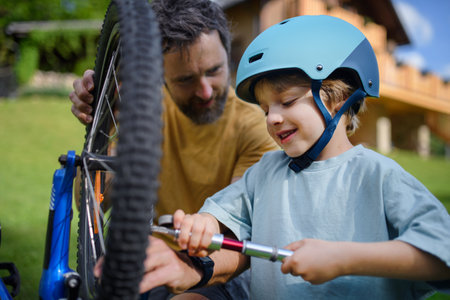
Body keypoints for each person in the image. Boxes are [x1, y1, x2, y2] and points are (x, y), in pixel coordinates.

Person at [171, 15, 450, 299]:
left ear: (340, 96)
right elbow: (221, 213)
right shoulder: (265, 172)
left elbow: (443, 253)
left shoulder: (378, 175)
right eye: (266, 110)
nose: (273, 119)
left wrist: (344, 259)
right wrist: (203, 222)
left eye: (288, 101)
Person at [70, 0, 277, 298]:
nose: (205, 90)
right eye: (185, 80)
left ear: (227, 56)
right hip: (147, 263)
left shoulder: (255, 128)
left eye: (215, 70)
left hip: (216, 271)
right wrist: (105, 125)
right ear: (161, 76)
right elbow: (92, 202)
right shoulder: (145, 112)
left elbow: (240, 231)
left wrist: (190, 270)